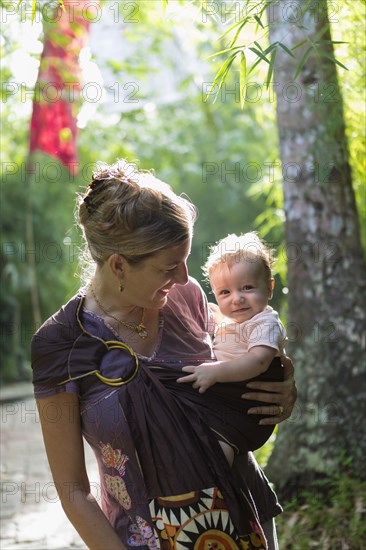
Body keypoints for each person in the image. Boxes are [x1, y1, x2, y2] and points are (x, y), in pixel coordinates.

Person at [31, 160, 297, 550]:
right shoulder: (62, 344)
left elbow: (245, 361)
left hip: (244, 516)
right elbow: (74, 491)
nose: (186, 278)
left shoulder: (184, 297)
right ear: (119, 265)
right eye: (170, 266)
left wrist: (284, 387)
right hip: (146, 536)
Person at [178, 232, 287, 465]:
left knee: (217, 451)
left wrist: (215, 371)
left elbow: (258, 361)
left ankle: (215, 486)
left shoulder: (264, 322)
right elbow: (226, 331)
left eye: (247, 287)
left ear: (269, 288)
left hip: (247, 410)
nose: (236, 299)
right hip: (227, 404)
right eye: (225, 293)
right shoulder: (233, 321)